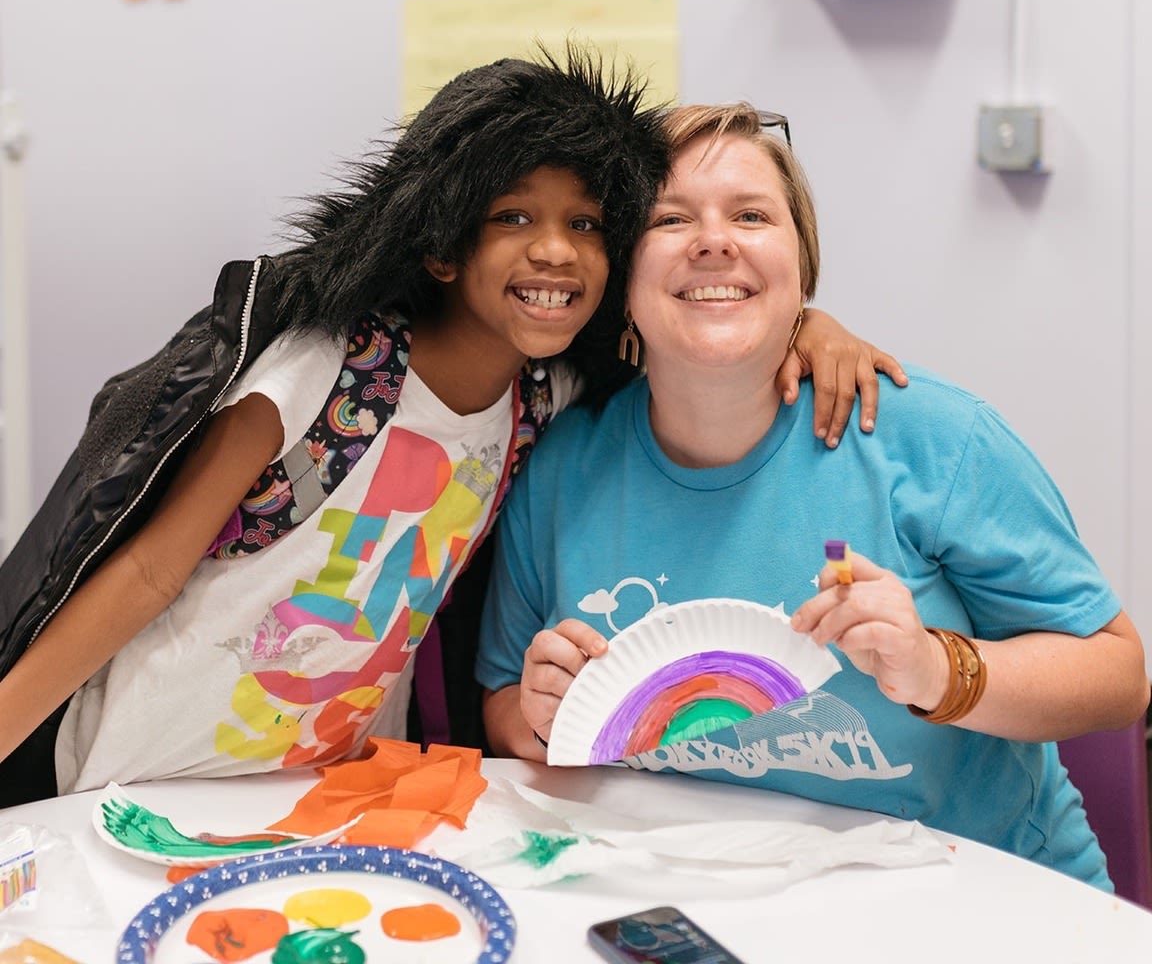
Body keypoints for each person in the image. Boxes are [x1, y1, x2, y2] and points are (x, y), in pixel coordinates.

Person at [0, 53, 900, 807]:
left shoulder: (543, 396)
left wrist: (809, 327)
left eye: (586, 224)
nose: (554, 250)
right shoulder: (321, 375)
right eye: (512, 217)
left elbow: (690, 336)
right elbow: (148, 571)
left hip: (325, 793)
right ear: (440, 246)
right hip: (142, 781)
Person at [477, 101, 1150, 891]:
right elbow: (504, 708)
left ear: (802, 269)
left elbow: (1119, 676)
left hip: (978, 898)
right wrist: (540, 716)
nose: (715, 240)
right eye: (670, 219)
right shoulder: (561, 469)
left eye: (752, 214)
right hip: (704, 898)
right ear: (620, 278)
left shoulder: (936, 439)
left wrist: (937, 670)